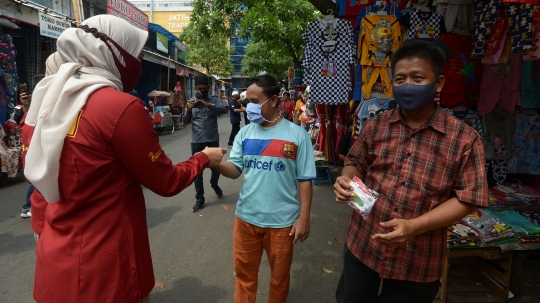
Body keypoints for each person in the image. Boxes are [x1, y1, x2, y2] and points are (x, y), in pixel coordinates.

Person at [22, 15, 226, 303]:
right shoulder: (119, 107)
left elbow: (39, 187)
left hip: (54, 262)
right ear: (115, 54)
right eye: (137, 55)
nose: (140, 64)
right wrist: (204, 158)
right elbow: (166, 181)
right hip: (108, 268)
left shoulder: (43, 105)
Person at [333, 39, 489, 303]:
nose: (407, 86)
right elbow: (355, 160)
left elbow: (469, 198)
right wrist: (346, 178)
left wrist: (414, 227)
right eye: (400, 79)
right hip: (364, 244)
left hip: (419, 257)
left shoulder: (464, 138)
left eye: (418, 78)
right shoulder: (376, 125)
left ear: (438, 84)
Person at [215, 74, 316, 303]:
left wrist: (304, 218)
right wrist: (217, 164)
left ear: (272, 100)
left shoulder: (297, 135)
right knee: (244, 278)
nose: (248, 106)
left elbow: (305, 179)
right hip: (246, 220)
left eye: (254, 100)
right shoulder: (245, 133)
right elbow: (235, 170)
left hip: (282, 224)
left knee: (279, 280)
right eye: (246, 101)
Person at [182, 75, 228, 212]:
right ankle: (200, 198)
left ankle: (214, 183)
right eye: (200, 88)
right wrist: (189, 110)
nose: (202, 90)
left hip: (212, 139)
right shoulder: (190, 101)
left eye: (205, 88)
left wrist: (208, 105)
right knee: (197, 170)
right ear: (196, 87)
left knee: (216, 166)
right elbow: (183, 121)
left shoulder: (214, 99)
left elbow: (224, 110)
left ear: (208, 87)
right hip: (197, 140)